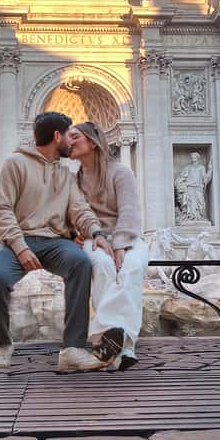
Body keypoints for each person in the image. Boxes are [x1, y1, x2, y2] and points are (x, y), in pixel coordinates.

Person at [0, 112, 109, 371]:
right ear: (56, 136)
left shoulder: (65, 174)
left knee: (80, 263)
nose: (72, 142)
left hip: (55, 242)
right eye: (69, 136)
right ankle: (2, 344)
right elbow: (2, 211)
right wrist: (20, 248)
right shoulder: (14, 163)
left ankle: (73, 348)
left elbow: (80, 210)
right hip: (16, 241)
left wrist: (97, 232)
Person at [67, 122, 148, 370]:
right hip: (94, 239)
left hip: (128, 237)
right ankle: (117, 346)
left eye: (75, 137)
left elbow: (129, 212)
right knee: (103, 267)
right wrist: (72, 234)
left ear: (92, 142)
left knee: (131, 269)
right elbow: (68, 214)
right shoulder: (73, 181)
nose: (69, 141)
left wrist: (121, 245)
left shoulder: (121, 172)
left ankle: (119, 346)